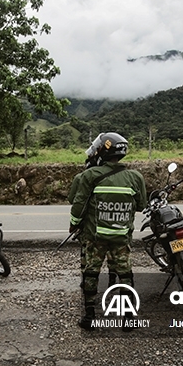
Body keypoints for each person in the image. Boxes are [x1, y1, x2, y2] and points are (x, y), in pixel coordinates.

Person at [69, 132, 147, 329]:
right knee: (126, 274)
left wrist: (74, 223)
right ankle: (128, 318)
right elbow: (140, 205)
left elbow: (78, 204)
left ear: (102, 151)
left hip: (96, 238)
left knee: (91, 273)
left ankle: (89, 316)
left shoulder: (90, 175)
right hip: (121, 237)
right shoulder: (135, 177)